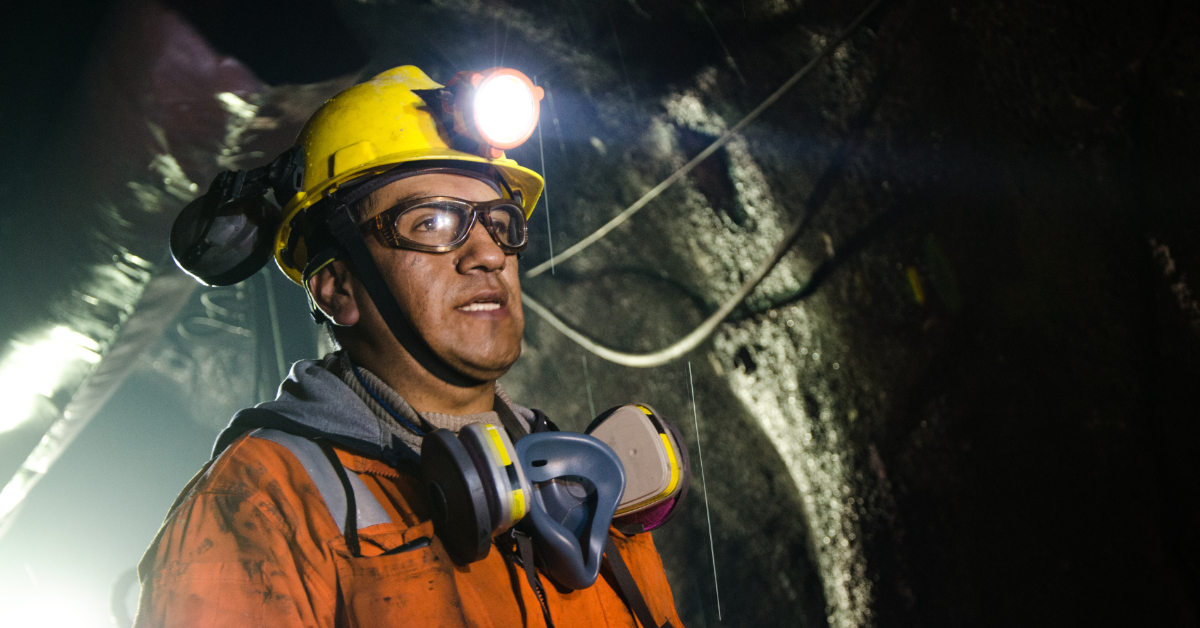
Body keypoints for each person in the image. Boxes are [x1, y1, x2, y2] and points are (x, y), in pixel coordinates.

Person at [133, 65, 685, 628]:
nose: (488, 254)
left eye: (500, 222)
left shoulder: (582, 491)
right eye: (433, 223)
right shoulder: (259, 505)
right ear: (337, 287)